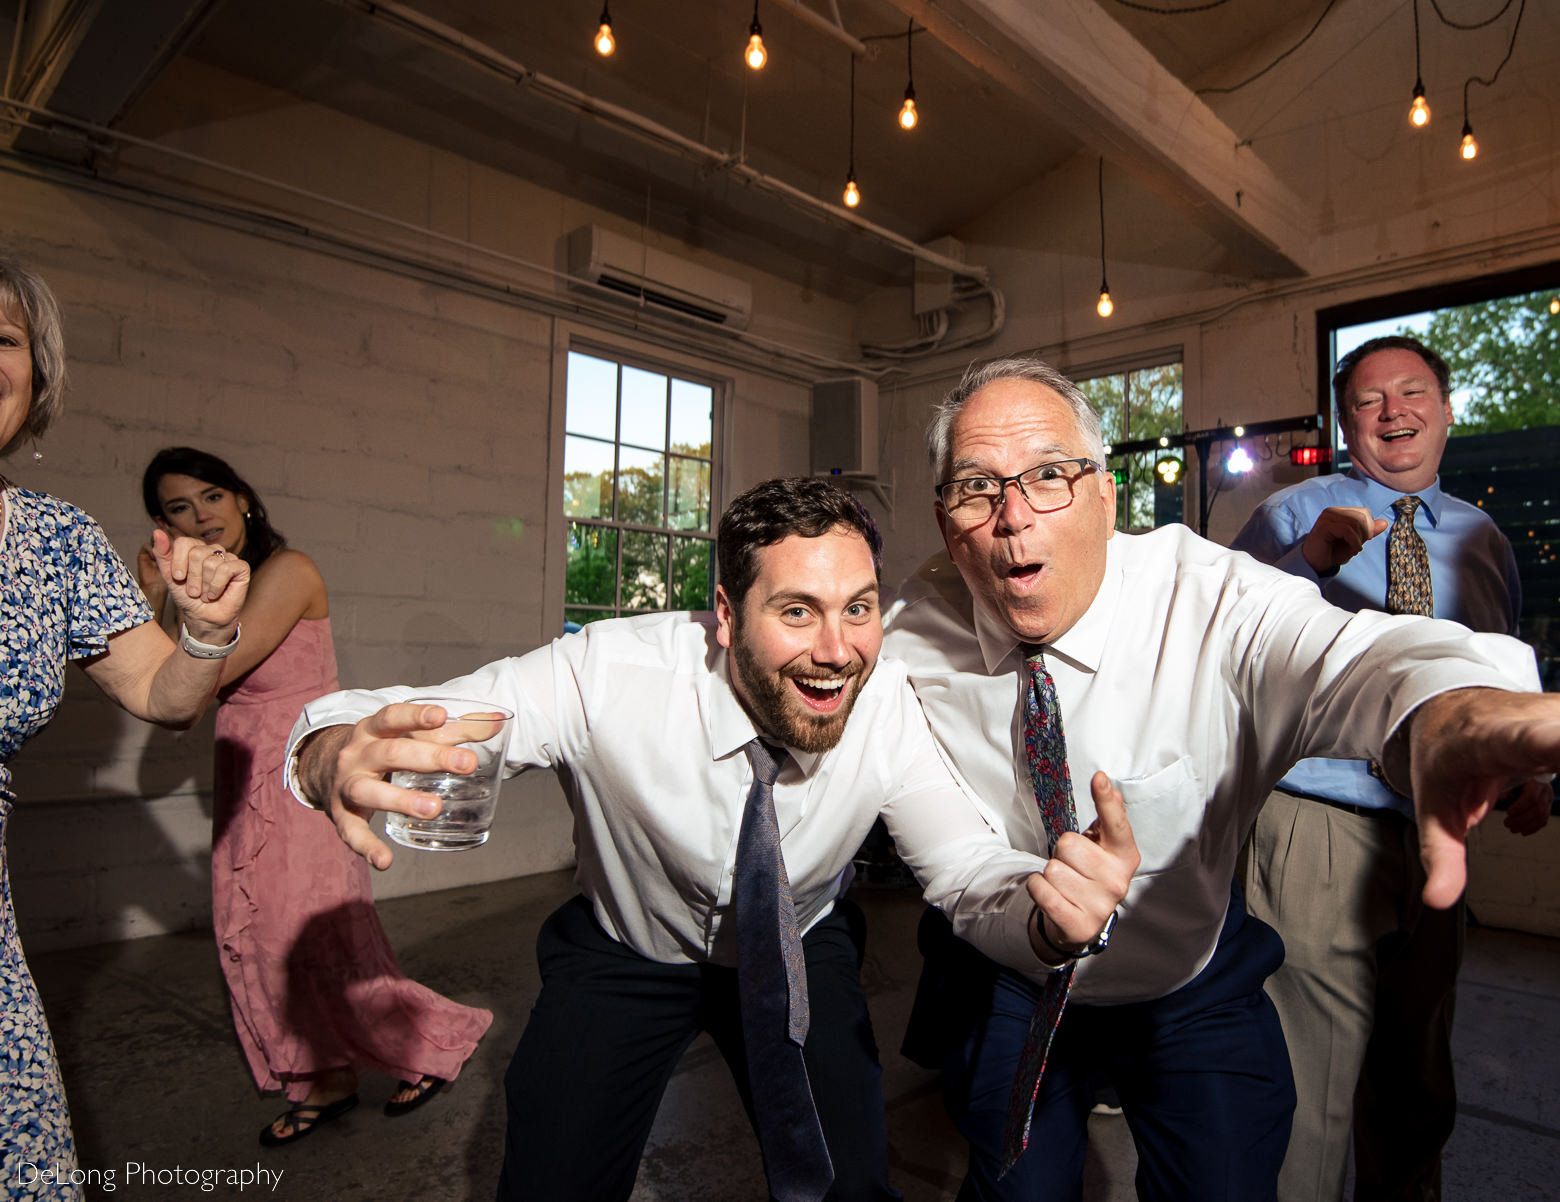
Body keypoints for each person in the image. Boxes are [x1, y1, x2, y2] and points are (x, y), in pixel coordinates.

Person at [882, 356, 1560, 1202]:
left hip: (1189, 985)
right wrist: (1040, 921)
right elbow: (953, 863)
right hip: (1020, 982)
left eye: (1051, 476)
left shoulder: (1203, 596)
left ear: (1105, 496)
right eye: (976, 488)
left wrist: (1453, 710)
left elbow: (1344, 657)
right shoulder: (912, 639)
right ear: (946, 520)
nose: (1013, 518)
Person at [284, 476, 1137, 1202]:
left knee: (847, 1177)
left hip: (801, 941)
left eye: (859, 609)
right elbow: (438, 718)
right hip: (627, 950)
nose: (838, 652)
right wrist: (327, 753)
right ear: (725, 613)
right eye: (797, 610)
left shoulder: (890, 707)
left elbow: (964, 868)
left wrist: (1045, 914)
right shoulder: (609, 676)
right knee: (551, 1174)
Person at [1229, 335, 1552, 1202]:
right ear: (1346, 422)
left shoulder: (1483, 539)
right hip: (1317, 825)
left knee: (1415, 1082)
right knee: (1309, 1093)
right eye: (1371, 400)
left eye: (1413, 393)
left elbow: (1497, 672)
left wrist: (1531, 770)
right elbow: (1229, 639)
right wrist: (1313, 564)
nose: (1394, 411)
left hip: (1436, 830)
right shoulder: (1296, 516)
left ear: (1448, 411)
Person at [135, 447, 492, 1146]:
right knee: (261, 943)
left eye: (211, 496)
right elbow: (163, 685)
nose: (201, 517)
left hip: (302, 785)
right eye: (179, 507)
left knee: (322, 947)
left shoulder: (285, 574)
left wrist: (166, 609)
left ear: (241, 498)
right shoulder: (209, 597)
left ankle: (431, 1048)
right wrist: (156, 591)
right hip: (245, 791)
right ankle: (322, 1081)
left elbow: (200, 675)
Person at [0, 259, 249, 1197]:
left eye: (6, 338)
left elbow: (168, 696)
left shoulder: (57, 540)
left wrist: (209, 628)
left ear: (37, 376)